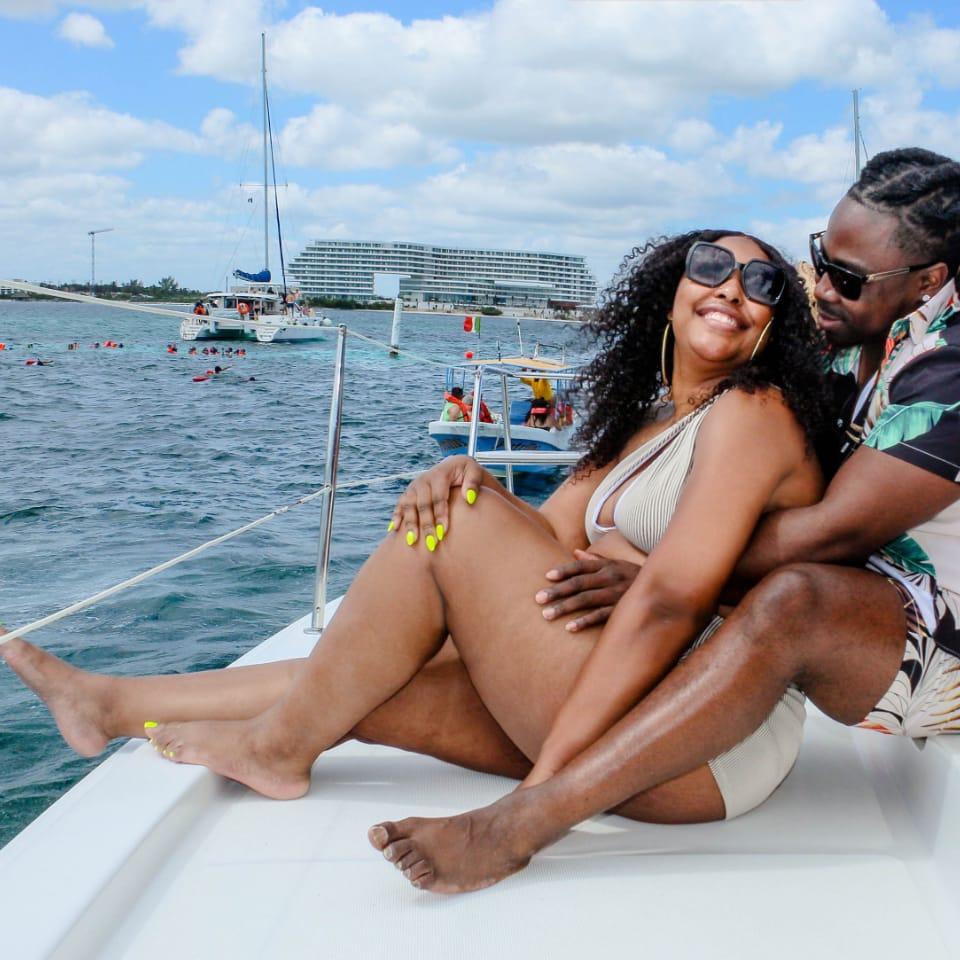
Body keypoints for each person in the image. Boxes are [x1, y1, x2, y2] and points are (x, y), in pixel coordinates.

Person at [1, 229, 826, 869]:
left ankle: (277, 748)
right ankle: (112, 704)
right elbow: (541, 544)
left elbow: (676, 596)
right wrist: (471, 475)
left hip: (707, 735)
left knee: (449, 522)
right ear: (670, 289)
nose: (733, 289)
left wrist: (533, 810)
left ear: (774, 325)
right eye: (712, 266)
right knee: (370, 676)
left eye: (763, 284)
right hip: (631, 685)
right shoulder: (646, 425)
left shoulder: (753, 413)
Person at [353, 147, 960, 894]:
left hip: (939, 643)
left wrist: (665, 569)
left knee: (796, 599)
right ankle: (235, 723)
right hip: (847, 612)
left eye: (848, 278)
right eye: (819, 261)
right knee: (390, 675)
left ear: (928, 279)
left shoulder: (950, 364)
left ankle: (523, 825)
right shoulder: (850, 347)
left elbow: (836, 533)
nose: (822, 289)